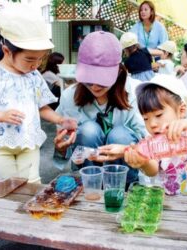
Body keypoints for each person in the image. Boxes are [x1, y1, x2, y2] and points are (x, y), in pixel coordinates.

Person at [0, 6, 66, 183]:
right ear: (7, 51)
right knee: (12, 187)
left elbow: (42, 107)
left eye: (40, 59)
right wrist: (1, 115)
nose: (36, 65)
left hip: (28, 141)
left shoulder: (33, 76)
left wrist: (60, 120)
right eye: (29, 59)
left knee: (32, 184)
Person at [124, 74, 187, 235]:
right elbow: (153, 170)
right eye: (146, 118)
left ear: (181, 110)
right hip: (169, 200)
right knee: (152, 219)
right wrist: (142, 161)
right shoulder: (152, 142)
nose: (152, 124)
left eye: (158, 115)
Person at [53, 31, 148, 186]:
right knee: (88, 130)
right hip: (88, 172)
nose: (95, 86)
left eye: (102, 79)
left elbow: (149, 143)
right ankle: (90, 187)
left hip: (127, 170)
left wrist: (125, 149)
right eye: (89, 79)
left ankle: (125, 189)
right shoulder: (69, 96)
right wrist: (61, 149)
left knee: (120, 135)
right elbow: (64, 152)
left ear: (118, 71)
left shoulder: (137, 93)